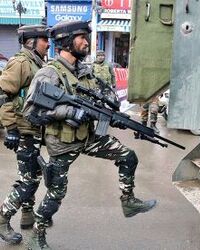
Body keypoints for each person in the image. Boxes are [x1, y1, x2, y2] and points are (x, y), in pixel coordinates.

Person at [23, 20, 156, 249]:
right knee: (55, 195)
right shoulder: (49, 73)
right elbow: (30, 112)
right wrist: (70, 111)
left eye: (87, 37)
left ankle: (128, 201)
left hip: (88, 137)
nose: (87, 42)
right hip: (63, 143)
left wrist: (111, 115)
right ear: (66, 41)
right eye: (82, 37)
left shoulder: (86, 72)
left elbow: (102, 101)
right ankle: (36, 236)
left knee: (128, 156)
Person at [0, 25, 49, 244]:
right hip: (22, 129)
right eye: (43, 40)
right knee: (29, 179)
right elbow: (3, 94)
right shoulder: (20, 63)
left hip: (33, 128)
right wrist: (10, 128)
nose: (47, 43)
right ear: (31, 41)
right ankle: (3, 218)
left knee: (31, 172)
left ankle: (27, 214)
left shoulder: (37, 62)